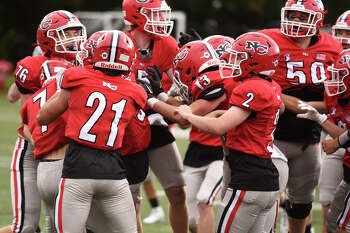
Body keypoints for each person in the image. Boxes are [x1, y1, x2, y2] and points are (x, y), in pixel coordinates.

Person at [37, 30, 145, 233]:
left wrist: (70, 99)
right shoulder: (136, 91)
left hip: (77, 174)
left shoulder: (76, 78)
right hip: (115, 176)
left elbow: (42, 117)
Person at [174, 32, 282, 233]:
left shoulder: (250, 88)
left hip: (247, 179)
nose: (233, 61)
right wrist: (234, 114)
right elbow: (275, 109)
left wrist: (188, 115)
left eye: (239, 57)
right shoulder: (272, 86)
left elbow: (219, 127)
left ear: (255, 62)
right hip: (268, 178)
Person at [259, 1, 343, 232]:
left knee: (302, 203)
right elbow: (259, 86)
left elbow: (336, 100)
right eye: (292, 15)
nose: (295, 21)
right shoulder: (267, 40)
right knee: (264, 198)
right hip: (272, 134)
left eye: (302, 17)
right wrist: (297, 104)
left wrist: (297, 103)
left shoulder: (333, 47)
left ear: (317, 20)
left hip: (309, 138)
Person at [0, 10, 87, 233]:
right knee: (26, 227)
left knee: (60, 226)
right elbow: (25, 116)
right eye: (68, 33)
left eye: (77, 31)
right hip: (32, 148)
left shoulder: (84, 66)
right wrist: (44, 142)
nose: (76, 37)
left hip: (65, 150)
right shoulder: (33, 66)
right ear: (49, 38)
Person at [122, 0, 189, 232]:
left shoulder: (166, 44)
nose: (162, 20)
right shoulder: (119, 43)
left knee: (178, 190)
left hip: (154, 120)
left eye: (162, 15)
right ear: (137, 16)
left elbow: (183, 84)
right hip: (126, 125)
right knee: (131, 200)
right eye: (156, 15)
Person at [296, 49, 350, 233]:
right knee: (333, 222)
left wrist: (337, 143)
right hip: (348, 165)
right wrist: (321, 119)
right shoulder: (335, 95)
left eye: (341, 74)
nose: (335, 79)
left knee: (343, 225)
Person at [317, 9, 350, 233]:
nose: (343, 39)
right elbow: (328, 105)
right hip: (339, 138)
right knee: (329, 202)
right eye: (340, 32)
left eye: (349, 33)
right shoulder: (333, 62)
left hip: (342, 141)